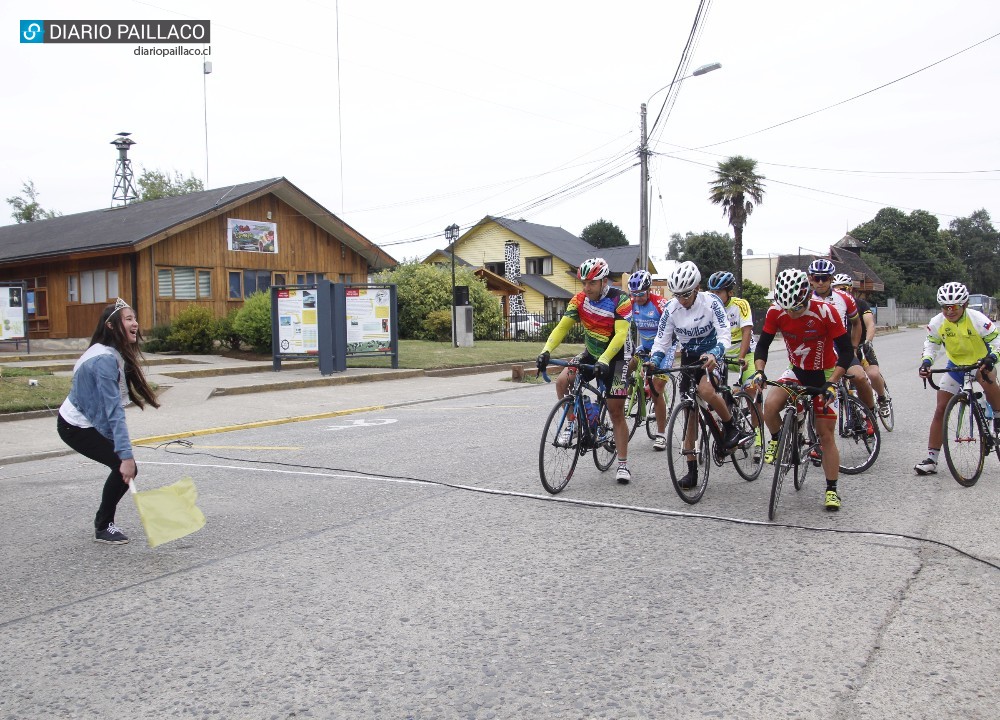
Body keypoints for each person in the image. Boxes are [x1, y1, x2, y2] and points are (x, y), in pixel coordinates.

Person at [57, 298, 160, 544]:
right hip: (75, 426)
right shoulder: (103, 359)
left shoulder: (110, 352)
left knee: (127, 466)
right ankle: (103, 526)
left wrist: (123, 454)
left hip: (87, 421)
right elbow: (113, 411)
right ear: (112, 326)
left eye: (135, 318)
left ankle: (104, 523)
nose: (135, 323)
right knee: (125, 466)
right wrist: (124, 455)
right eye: (128, 319)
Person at [752, 269, 854, 511]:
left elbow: (847, 352)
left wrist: (832, 383)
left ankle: (831, 489)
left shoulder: (825, 312)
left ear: (806, 296)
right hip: (796, 370)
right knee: (770, 407)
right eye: (786, 308)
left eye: (795, 308)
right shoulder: (776, 311)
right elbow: (763, 345)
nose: (791, 313)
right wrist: (759, 371)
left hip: (825, 373)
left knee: (825, 434)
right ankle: (779, 438)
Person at [648, 261, 750, 490]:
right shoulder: (671, 309)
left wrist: (716, 352)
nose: (682, 300)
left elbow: (724, 333)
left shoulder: (711, 302)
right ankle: (692, 470)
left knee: (705, 390)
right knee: (690, 412)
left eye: (686, 294)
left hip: (713, 354)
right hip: (689, 357)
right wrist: (654, 360)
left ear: (696, 288)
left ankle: (731, 426)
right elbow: (662, 340)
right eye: (677, 295)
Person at [537, 258, 634, 483]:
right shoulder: (579, 299)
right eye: (583, 283)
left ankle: (623, 464)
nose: (586, 288)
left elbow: (620, 335)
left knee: (616, 411)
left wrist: (606, 360)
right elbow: (562, 326)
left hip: (618, 358)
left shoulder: (621, 300)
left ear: (604, 281)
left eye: (591, 283)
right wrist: (546, 351)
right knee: (562, 381)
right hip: (592, 351)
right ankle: (572, 423)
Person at [914, 281, 1000, 475]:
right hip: (956, 365)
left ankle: (997, 414)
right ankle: (931, 459)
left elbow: (997, 341)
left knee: (988, 379)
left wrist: (992, 357)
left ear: (965, 305)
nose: (949, 311)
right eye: (945, 307)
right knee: (941, 408)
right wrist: (926, 363)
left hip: (981, 362)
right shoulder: (937, 322)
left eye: (954, 307)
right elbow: (931, 345)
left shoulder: (977, 318)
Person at [807, 259, 878, 425]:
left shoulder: (844, 297)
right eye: (816, 278)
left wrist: (853, 348)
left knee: (860, 377)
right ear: (810, 279)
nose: (820, 282)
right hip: (816, 348)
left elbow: (856, 324)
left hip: (840, 346)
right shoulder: (806, 298)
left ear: (831, 279)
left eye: (825, 278)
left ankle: (870, 415)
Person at [707, 270, 762, 453]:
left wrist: (741, 357)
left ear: (729, 292)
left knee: (752, 389)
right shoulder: (709, 307)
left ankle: (759, 438)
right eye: (712, 292)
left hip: (744, 354)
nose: (715, 296)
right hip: (722, 354)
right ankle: (727, 425)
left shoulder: (740, 305)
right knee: (715, 390)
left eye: (719, 292)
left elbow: (747, 332)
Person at [626, 269, 673, 450]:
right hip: (645, 347)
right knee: (625, 369)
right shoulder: (631, 304)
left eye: (640, 294)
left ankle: (661, 434)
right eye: (633, 294)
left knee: (656, 390)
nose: (636, 298)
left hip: (664, 349)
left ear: (648, 289)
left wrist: (661, 352)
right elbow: (624, 328)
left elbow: (673, 329)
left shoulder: (661, 304)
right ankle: (630, 394)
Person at [832, 273, 890, 417]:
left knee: (873, 374)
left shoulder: (860, 304)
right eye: (836, 289)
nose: (840, 293)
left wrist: (867, 342)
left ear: (850, 289)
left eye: (843, 289)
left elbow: (870, 324)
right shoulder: (831, 306)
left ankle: (882, 398)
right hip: (841, 349)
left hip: (861, 346)